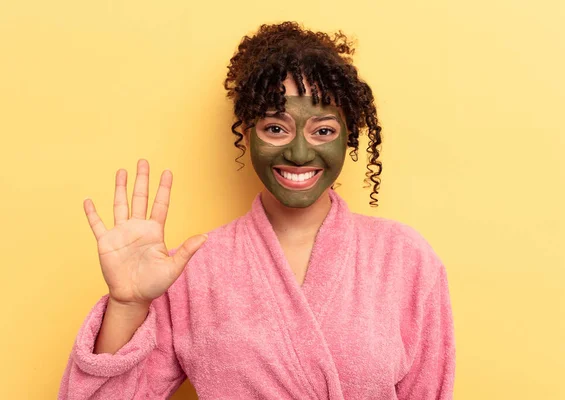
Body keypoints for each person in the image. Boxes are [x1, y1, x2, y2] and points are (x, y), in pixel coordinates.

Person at [59, 22, 455, 399]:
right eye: (276, 128)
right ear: (247, 134)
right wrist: (127, 306)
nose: (299, 153)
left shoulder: (405, 258)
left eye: (323, 130)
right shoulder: (193, 269)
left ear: (348, 137)